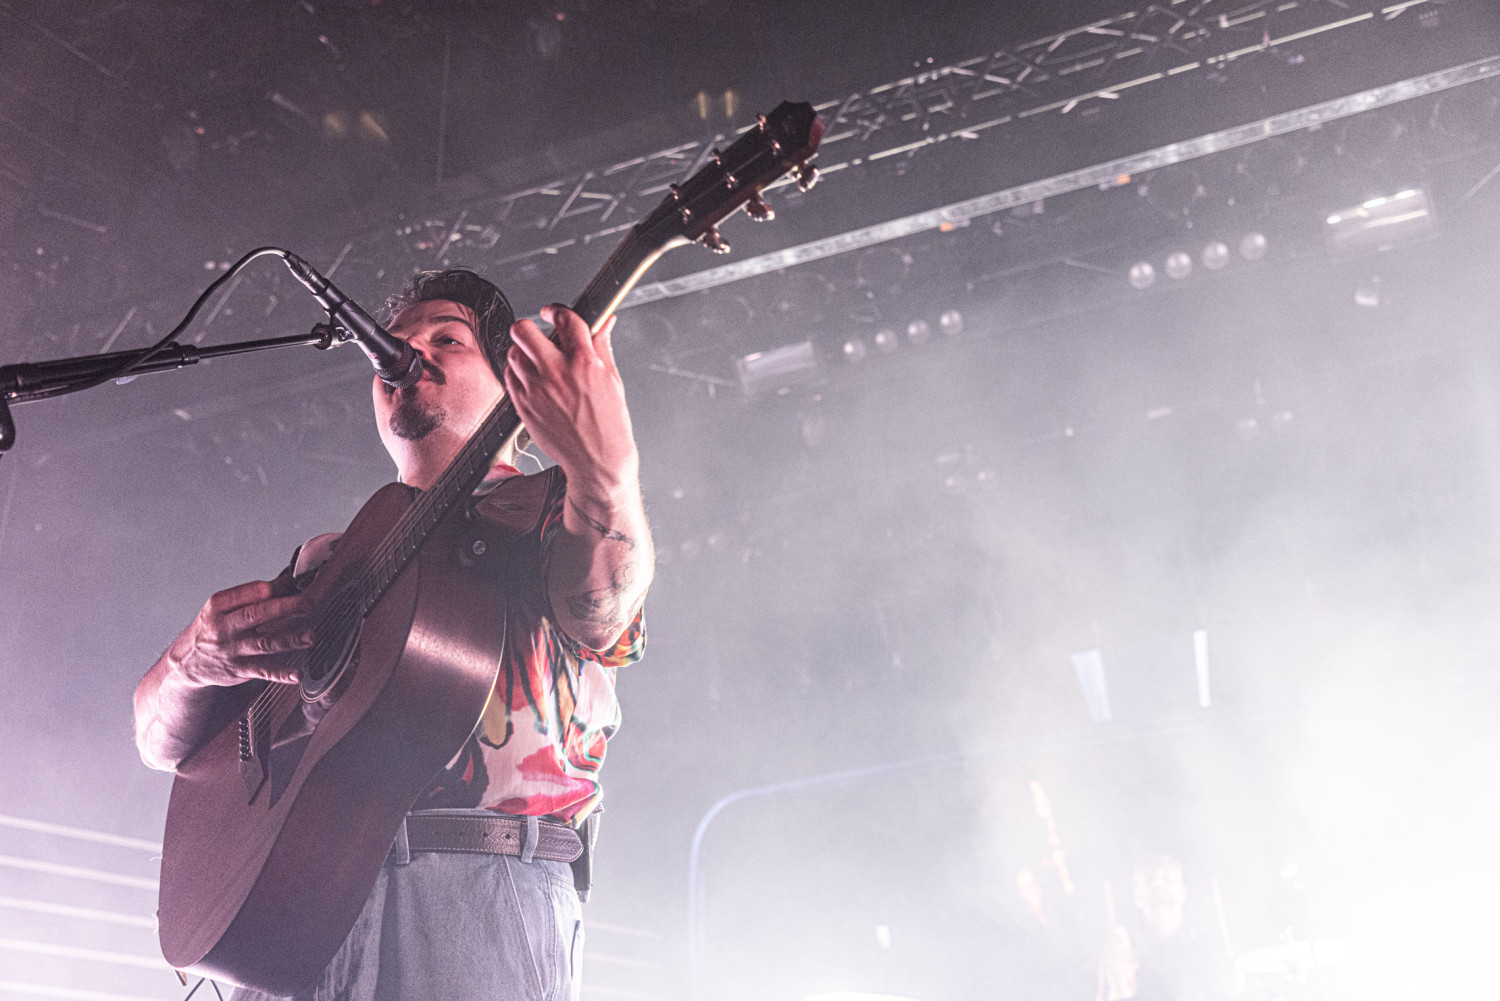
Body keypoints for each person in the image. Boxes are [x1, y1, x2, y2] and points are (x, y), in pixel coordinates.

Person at [133, 267, 653, 1000]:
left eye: (449, 338)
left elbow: (605, 607)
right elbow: (167, 747)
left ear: (513, 380)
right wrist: (189, 661)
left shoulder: (549, 505)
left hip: (475, 893)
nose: (410, 354)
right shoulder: (328, 559)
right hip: (297, 900)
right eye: (397, 343)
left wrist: (606, 472)